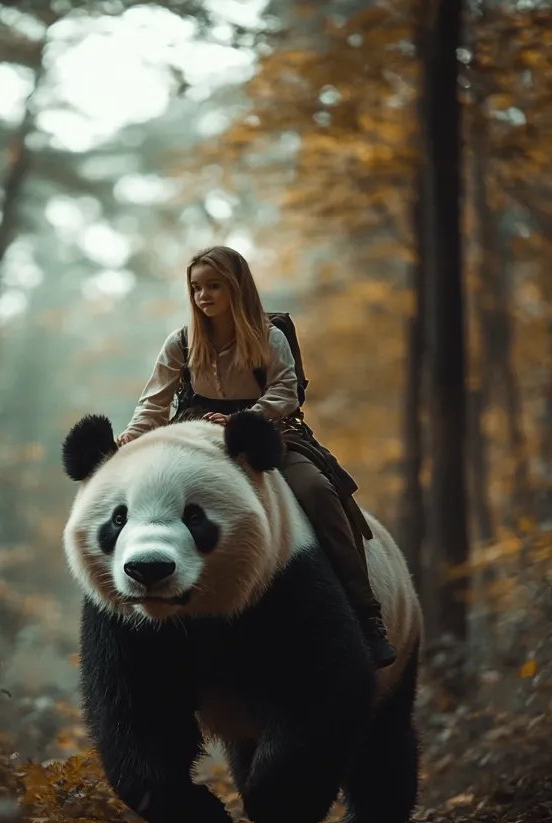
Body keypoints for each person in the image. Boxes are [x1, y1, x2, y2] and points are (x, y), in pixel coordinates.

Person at [116, 245, 398, 670]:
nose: (203, 296)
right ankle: (127, 626)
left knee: (319, 492)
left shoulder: (270, 337)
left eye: (214, 286)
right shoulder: (180, 342)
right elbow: (153, 403)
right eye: (196, 288)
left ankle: (365, 615)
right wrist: (131, 439)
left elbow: (286, 393)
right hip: (195, 434)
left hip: (267, 433)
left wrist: (244, 419)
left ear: (236, 288)